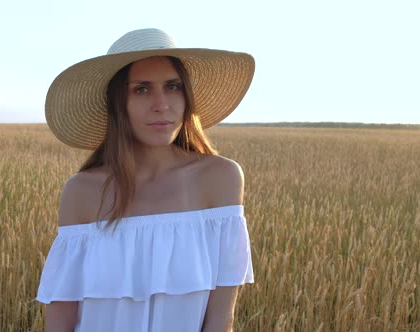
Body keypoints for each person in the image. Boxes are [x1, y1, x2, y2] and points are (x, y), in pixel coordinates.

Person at [36, 28, 255, 332]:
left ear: (187, 96)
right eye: (141, 89)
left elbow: (221, 319)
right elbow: (61, 322)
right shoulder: (82, 192)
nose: (161, 104)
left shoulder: (221, 179)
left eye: (172, 86)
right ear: (117, 103)